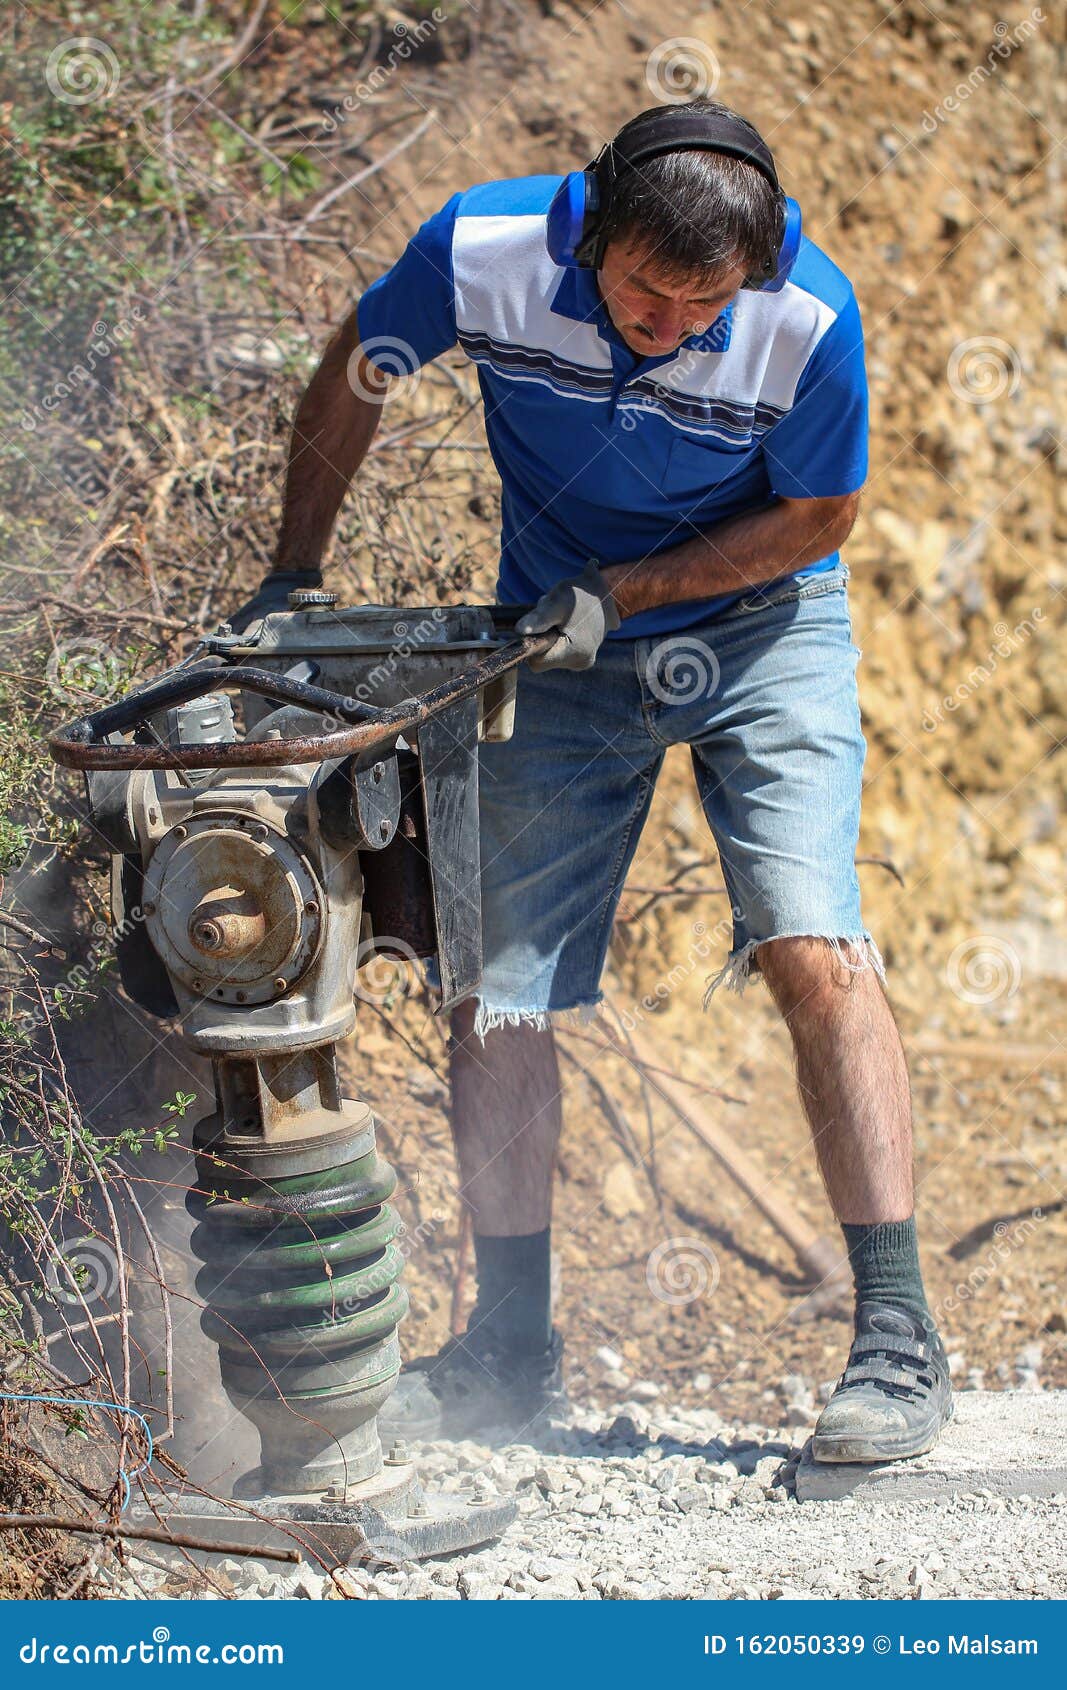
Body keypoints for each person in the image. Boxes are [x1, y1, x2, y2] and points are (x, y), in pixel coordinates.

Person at [233, 99, 952, 1465]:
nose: (671, 324)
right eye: (644, 293)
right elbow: (361, 366)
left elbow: (820, 515)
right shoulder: (486, 247)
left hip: (760, 627)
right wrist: (292, 573)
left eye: (704, 307)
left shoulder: (809, 317)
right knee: (496, 985)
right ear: (589, 227)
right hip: (554, 637)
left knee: (812, 940)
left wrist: (628, 593)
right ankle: (511, 1346)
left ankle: (901, 1342)